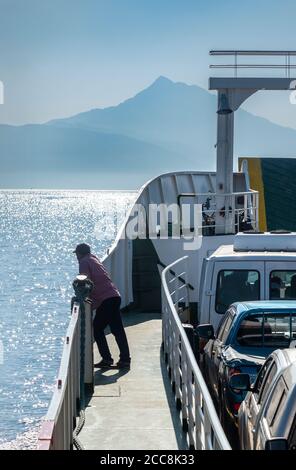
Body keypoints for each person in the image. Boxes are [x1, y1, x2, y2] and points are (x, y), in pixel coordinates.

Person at [73, 243, 131, 369]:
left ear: (80, 253)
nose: (76, 257)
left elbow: (86, 283)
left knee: (97, 328)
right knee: (117, 330)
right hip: (114, 296)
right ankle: (125, 360)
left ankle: (107, 359)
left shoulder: (83, 262)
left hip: (107, 300)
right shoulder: (94, 259)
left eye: (76, 254)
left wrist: (83, 300)